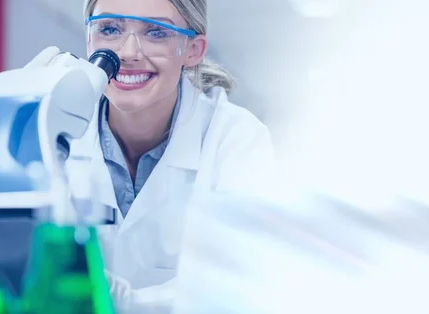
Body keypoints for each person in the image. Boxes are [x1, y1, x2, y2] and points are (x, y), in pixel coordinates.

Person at [27, 0, 277, 312]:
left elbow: (237, 285)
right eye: (110, 29)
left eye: (156, 32)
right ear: (90, 39)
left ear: (193, 50)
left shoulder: (235, 138)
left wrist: (103, 292)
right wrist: (13, 118)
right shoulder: (49, 128)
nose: (128, 52)